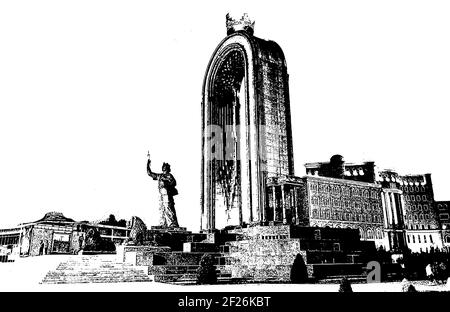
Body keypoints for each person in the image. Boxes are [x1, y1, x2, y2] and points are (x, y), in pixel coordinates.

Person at [147, 158, 179, 228]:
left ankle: (172, 224)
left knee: (168, 209)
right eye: (163, 168)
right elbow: (150, 173)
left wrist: (166, 182)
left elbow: (174, 183)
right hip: (161, 194)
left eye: (165, 168)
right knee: (162, 209)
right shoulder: (160, 176)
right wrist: (148, 165)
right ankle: (163, 224)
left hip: (167, 194)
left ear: (168, 169)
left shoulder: (169, 176)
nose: (164, 169)